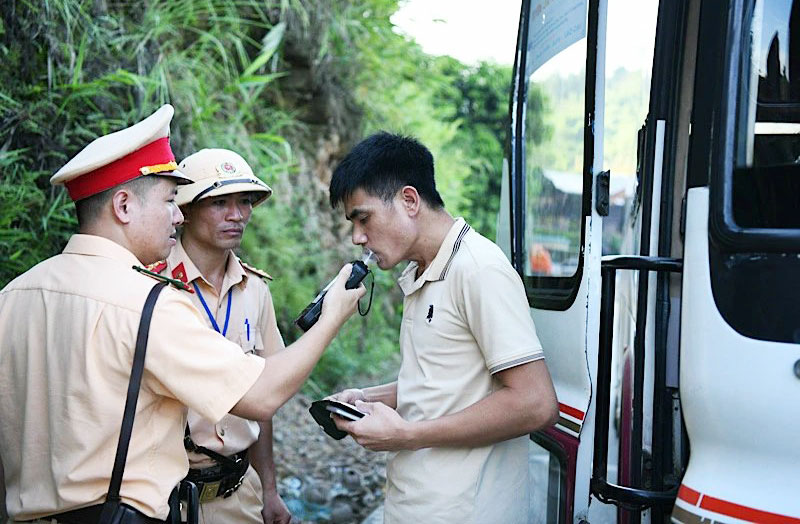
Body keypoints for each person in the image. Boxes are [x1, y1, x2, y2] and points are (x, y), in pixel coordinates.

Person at [0, 105, 364, 523]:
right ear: (123, 206)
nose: (177, 214)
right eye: (171, 200)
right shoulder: (149, 302)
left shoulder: (12, 296)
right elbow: (261, 396)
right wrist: (334, 315)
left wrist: (267, 488)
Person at [326, 132, 559, 524]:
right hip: (417, 506)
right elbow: (445, 384)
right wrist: (367, 398)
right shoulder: (424, 271)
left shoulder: (479, 269)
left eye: (363, 218)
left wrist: (406, 436)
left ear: (409, 200)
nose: (357, 238)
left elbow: (535, 403)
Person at [152, 148, 290, 523]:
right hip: (161, 498)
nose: (237, 215)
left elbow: (265, 399)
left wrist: (270, 491)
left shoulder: (256, 290)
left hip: (237, 493)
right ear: (186, 209)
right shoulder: (151, 284)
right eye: (219, 202)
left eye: (244, 201)